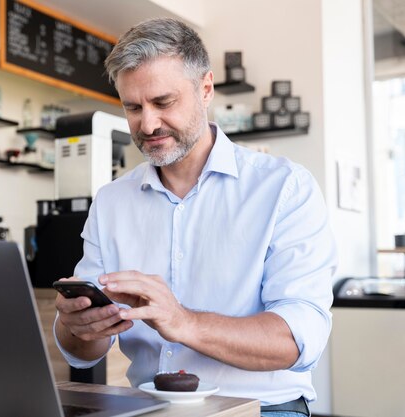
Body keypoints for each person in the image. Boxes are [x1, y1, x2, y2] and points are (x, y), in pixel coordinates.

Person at [54, 17, 337, 417]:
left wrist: (183, 321)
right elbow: (84, 351)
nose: (147, 123)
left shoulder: (285, 188)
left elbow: (297, 339)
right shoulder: (112, 201)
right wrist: (77, 327)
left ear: (206, 89)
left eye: (163, 103)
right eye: (133, 107)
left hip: (263, 409)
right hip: (148, 409)